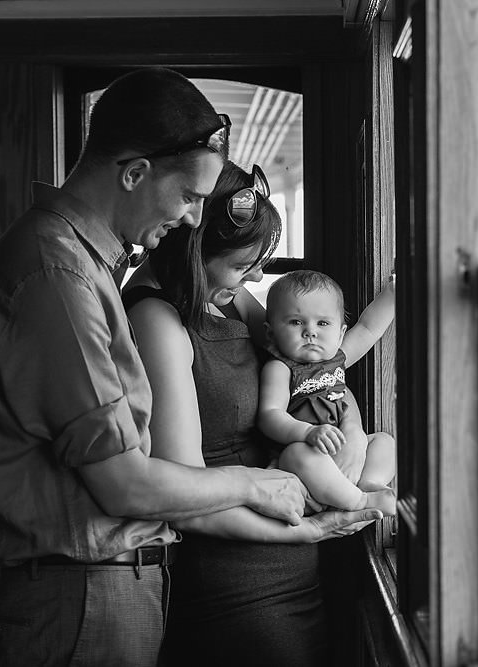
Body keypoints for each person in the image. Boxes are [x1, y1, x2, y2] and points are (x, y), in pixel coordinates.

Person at [0, 67, 368, 667]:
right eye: (190, 197)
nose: (195, 221)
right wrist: (258, 483)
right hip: (85, 595)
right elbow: (124, 481)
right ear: (134, 172)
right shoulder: (58, 277)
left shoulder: (86, 265)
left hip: (105, 587)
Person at [122, 159, 381, 666]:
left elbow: (311, 368)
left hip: (293, 561)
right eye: (243, 265)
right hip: (237, 584)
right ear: (194, 252)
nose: (256, 277)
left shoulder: (229, 296)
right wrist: (307, 530)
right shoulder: (156, 318)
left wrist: (349, 426)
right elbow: (185, 492)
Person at [259, 269, 397, 515]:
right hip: (304, 464)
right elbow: (270, 415)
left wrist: (392, 294)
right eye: (295, 322)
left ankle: (369, 482)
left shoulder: (337, 359)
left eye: (322, 323)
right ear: (271, 333)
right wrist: (308, 432)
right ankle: (359, 502)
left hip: (341, 454)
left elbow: (368, 329)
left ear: (341, 333)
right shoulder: (280, 368)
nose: (310, 332)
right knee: (295, 454)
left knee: (384, 442)